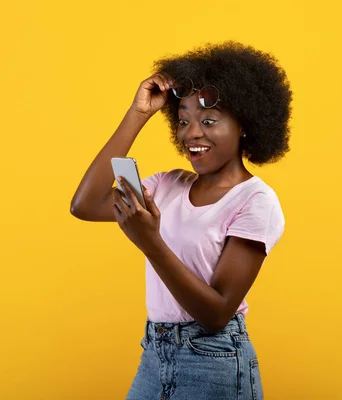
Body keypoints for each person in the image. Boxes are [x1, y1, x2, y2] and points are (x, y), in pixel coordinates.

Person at [70, 41, 292, 400]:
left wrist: (150, 242)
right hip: (155, 354)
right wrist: (138, 113)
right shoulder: (167, 184)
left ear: (245, 125)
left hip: (215, 361)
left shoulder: (256, 201)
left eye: (208, 121)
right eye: (184, 120)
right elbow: (85, 204)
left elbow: (217, 313)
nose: (191, 134)